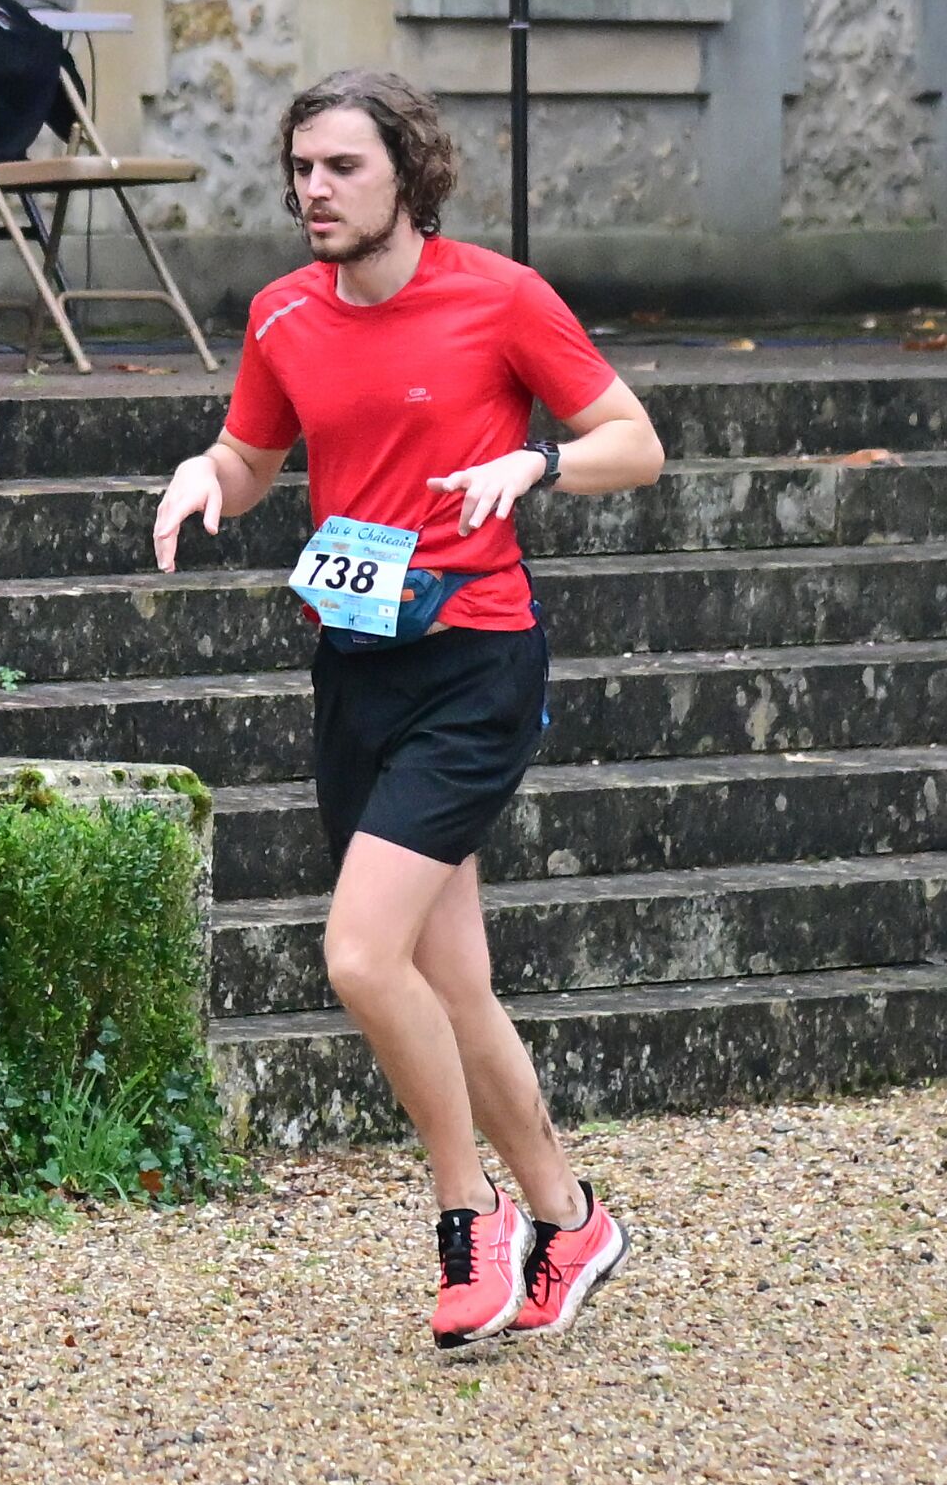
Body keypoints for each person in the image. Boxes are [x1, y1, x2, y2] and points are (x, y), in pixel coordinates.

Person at [150, 68, 663, 1347]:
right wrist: (205, 474)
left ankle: (466, 1215)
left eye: (343, 168)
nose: (315, 191)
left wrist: (533, 462)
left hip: (477, 662)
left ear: (408, 174)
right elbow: (255, 457)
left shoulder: (500, 296)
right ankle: (572, 1220)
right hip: (356, 660)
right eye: (302, 169)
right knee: (454, 979)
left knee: (361, 955)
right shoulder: (282, 314)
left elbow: (635, 442)